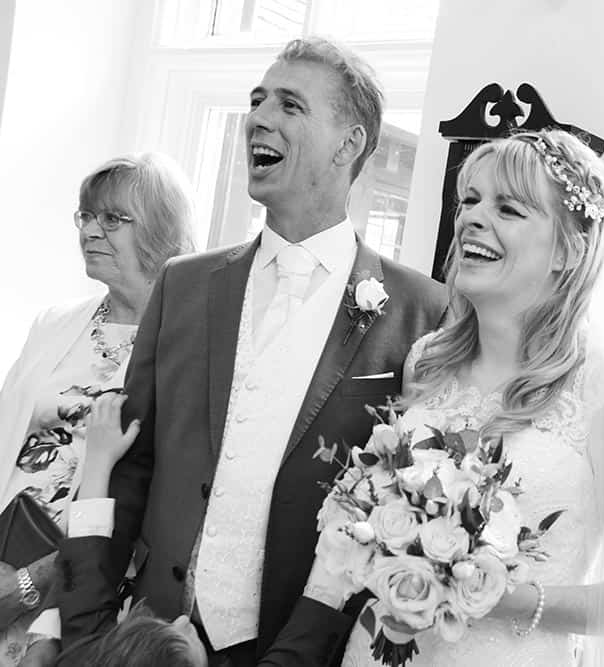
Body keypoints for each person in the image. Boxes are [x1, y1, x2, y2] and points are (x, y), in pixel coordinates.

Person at [62, 37, 448, 667]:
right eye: (257, 100)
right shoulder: (183, 284)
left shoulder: (422, 312)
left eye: (290, 105)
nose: (259, 119)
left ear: (349, 144)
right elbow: (131, 466)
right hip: (154, 638)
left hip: (300, 647)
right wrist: (89, 635)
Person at [339, 129, 604, 666]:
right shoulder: (426, 360)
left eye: (508, 208)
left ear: (568, 249)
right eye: (470, 200)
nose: (472, 218)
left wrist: (501, 597)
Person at [0, 153, 196, 665]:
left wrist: (34, 587)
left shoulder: (185, 345)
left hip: (85, 587)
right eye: (85, 215)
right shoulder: (54, 323)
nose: (90, 230)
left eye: (112, 218)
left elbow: (156, 491)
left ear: (160, 228)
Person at [51, 393, 358, 667]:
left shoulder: (86, 654)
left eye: (164, 626)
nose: (184, 621)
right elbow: (304, 646)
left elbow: (84, 568)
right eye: (182, 638)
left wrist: (99, 459)